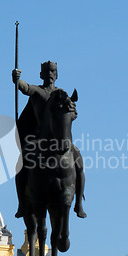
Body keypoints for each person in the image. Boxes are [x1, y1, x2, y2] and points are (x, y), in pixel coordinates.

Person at [12, 61, 86, 218]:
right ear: (41, 75)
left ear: (57, 75)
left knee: (78, 161)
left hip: (61, 139)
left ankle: (78, 204)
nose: (50, 74)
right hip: (38, 139)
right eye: (47, 72)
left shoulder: (61, 94)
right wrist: (18, 80)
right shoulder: (38, 92)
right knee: (22, 163)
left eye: (53, 72)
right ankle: (22, 204)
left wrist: (72, 110)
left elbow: (71, 111)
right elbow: (25, 88)